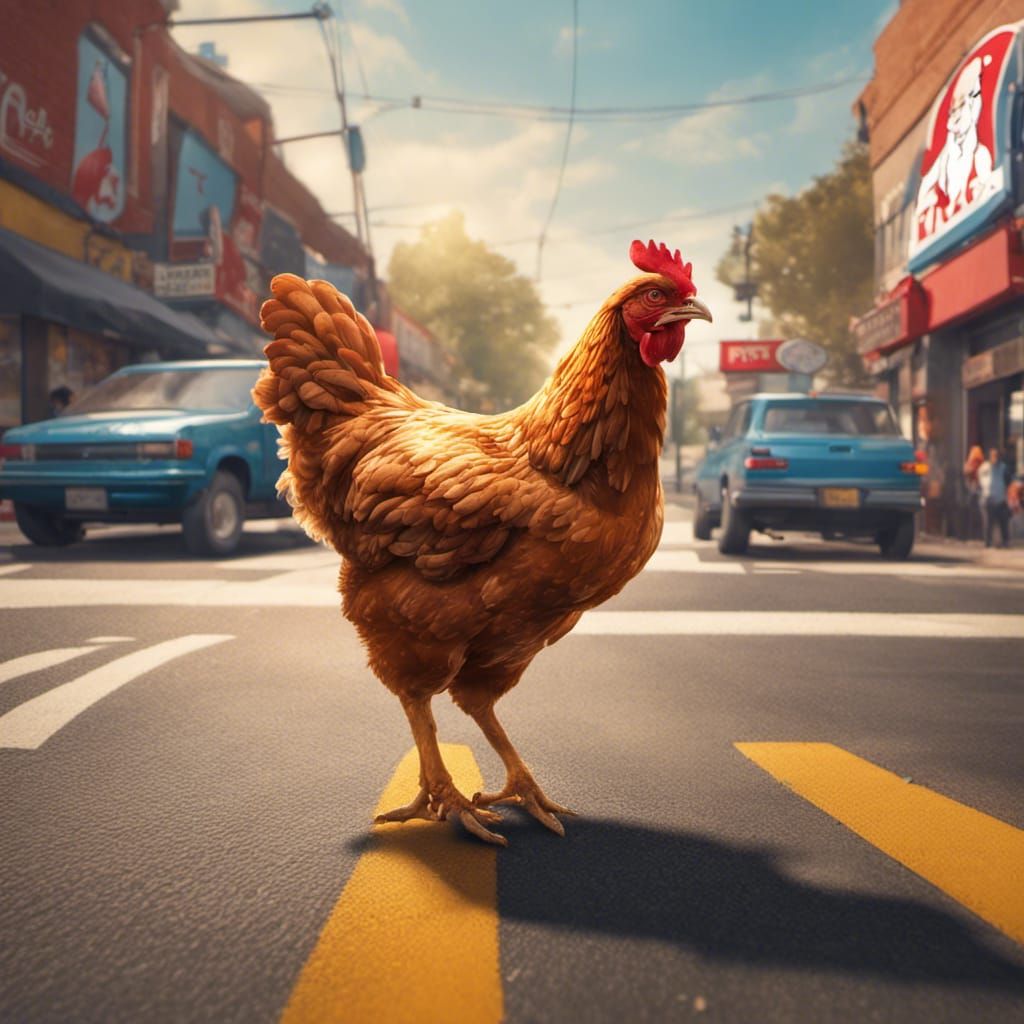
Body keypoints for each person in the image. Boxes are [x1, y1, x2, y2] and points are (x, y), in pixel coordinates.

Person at [977, 447, 1011, 548]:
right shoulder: (984, 468)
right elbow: (978, 482)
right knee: (988, 523)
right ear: (990, 456)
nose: (995, 457)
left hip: (1000, 500)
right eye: (993, 455)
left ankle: (1005, 542)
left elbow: (1008, 482)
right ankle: (988, 542)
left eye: (997, 455)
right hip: (987, 499)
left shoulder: (1003, 468)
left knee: (1003, 522)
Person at [963, 444, 985, 539]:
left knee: (977, 514)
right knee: (973, 514)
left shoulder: (982, 465)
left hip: (977, 491)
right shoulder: (971, 464)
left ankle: (975, 534)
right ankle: (972, 534)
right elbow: (966, 474)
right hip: (973, 490)